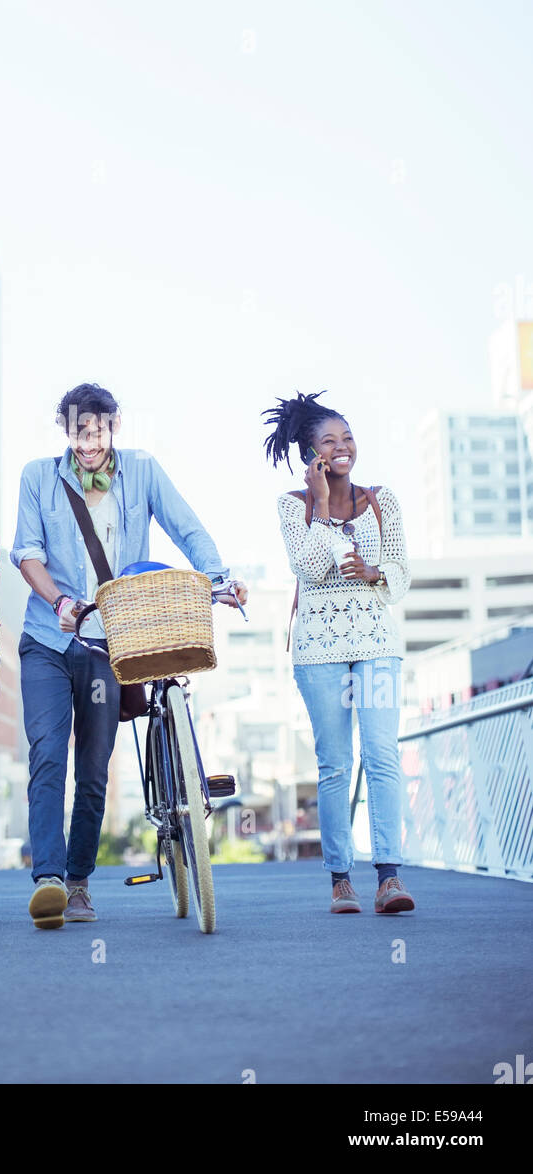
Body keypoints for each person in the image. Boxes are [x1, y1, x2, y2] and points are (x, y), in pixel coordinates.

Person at [11, 382, 247, 930]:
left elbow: (185, 526)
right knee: (48, 753)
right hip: (49, 637)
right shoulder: (37, 477)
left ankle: (77, 883)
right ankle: (47, 878)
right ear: (64, 432)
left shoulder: (141, 471)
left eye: (95, 429)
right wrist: (60, 601)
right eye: (76, 431)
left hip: (109, 641)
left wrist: (218, 579)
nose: (86, 441)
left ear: (113, 424)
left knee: (93, 769)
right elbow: (26, 552)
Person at [263, 390, 414, 915]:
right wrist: (323, 506)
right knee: (334, 764)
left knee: (382, 756)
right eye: (329, 441)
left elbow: (399, 579)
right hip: (320, 650)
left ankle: (389, 878)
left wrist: (377, 573)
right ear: (311, 455)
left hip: (375, 644)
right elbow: (310, 569)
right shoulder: (293, 506)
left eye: (347, 436)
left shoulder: (381, 500)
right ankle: (340, 879)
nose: (343, 446)